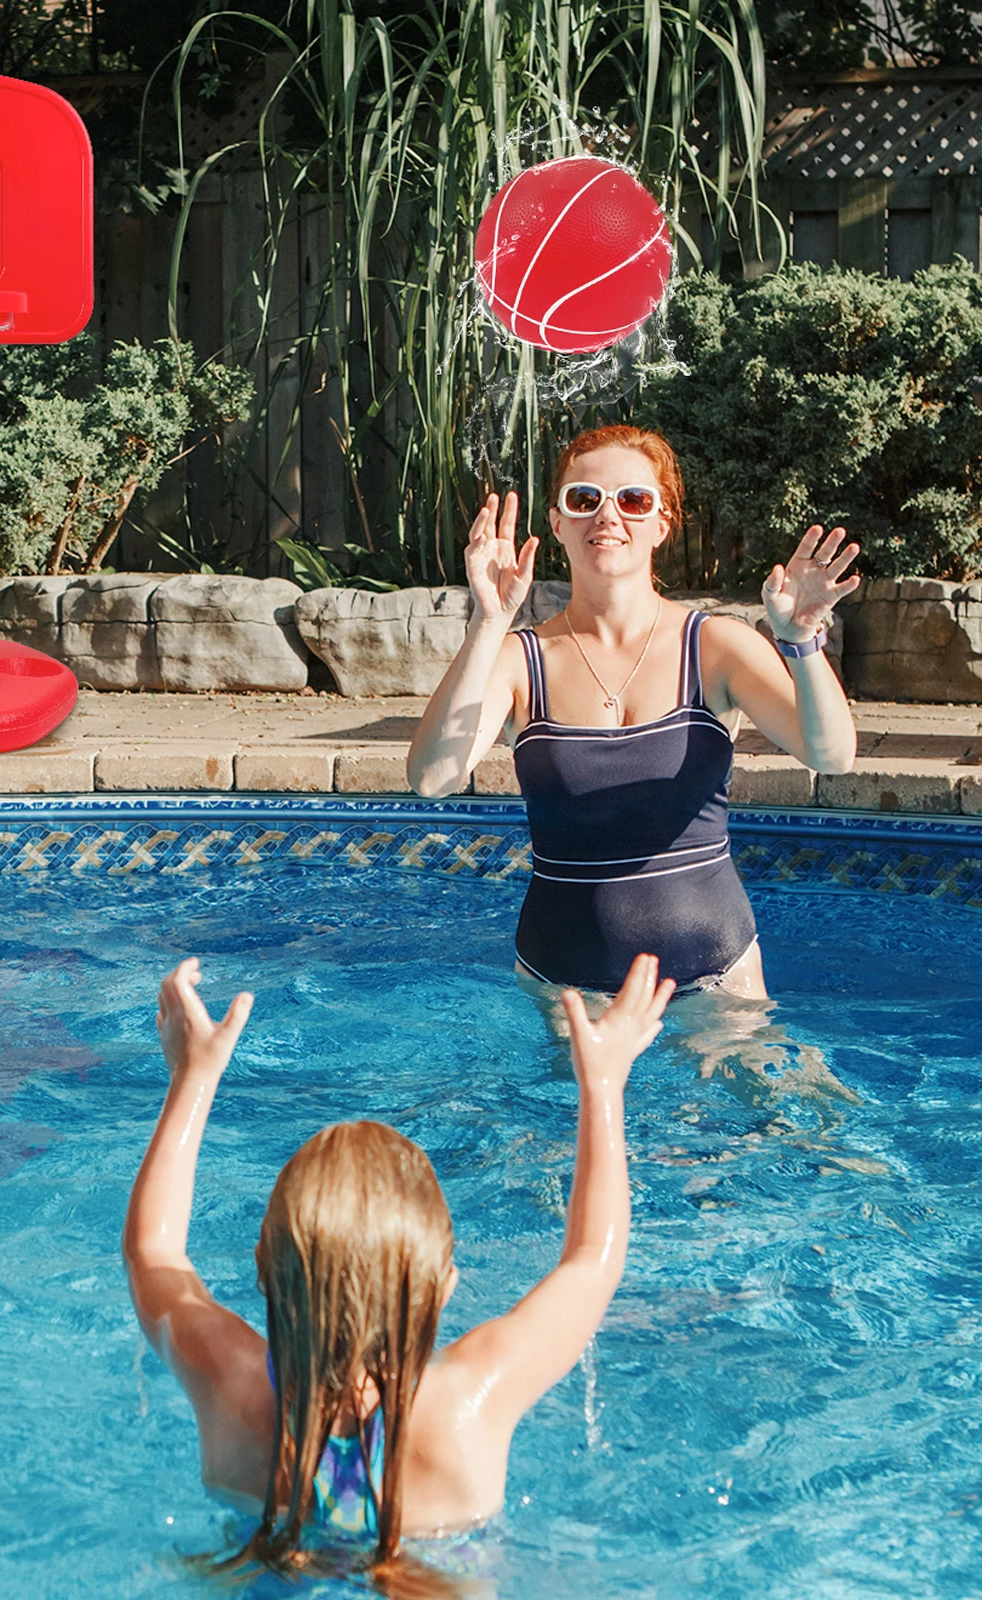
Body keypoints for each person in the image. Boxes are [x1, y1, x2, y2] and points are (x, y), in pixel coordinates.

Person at [122, 952, 673, 1585]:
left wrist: (191, 1080)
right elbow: (589, 1261)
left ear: (261, 1269)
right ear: (444, 1289)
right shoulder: (468, 1402)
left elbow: (153, 1252)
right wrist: (603, 1088)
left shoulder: (232, 1386)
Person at [407, 425, 860, 998]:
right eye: (584, 499)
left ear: (661, 524)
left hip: (719, 982)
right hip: (564, 988)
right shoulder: (521, 659)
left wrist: (800, 640)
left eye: (634, 500)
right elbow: (431, 778)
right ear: (557, 522)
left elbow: (832, 754)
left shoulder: (716, 644)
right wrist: (489, 621)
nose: (607, 516)